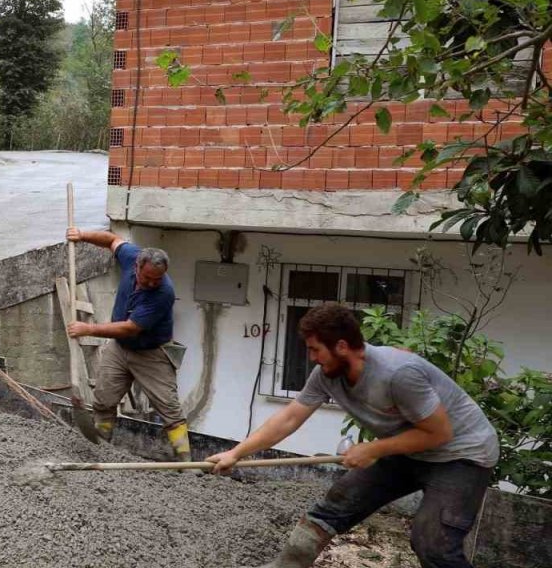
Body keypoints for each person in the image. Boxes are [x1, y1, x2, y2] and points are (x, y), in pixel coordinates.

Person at [207, 302, 499, 568]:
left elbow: (439, 433)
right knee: (332, 507)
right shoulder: (326, 375)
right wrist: (236, 453)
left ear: (342, 346)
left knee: (433, 544)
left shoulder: (398, 373)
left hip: (462, 455)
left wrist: (373, 449)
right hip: (408, 449)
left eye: (315, 349)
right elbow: (288, 418)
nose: (311, 358)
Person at [64, 227, 192, 461]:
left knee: (169, 408)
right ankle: (100, 446)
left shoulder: (164, 293)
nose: (152, 283)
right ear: (137, 266)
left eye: (157, 279)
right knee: (103, 399)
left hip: (152, 354)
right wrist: (81, 235)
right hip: (120, 348)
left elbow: (131, 328)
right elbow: (112, 240)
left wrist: (89, 329)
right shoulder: (132, 255)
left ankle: (187, 463)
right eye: (147, 278)